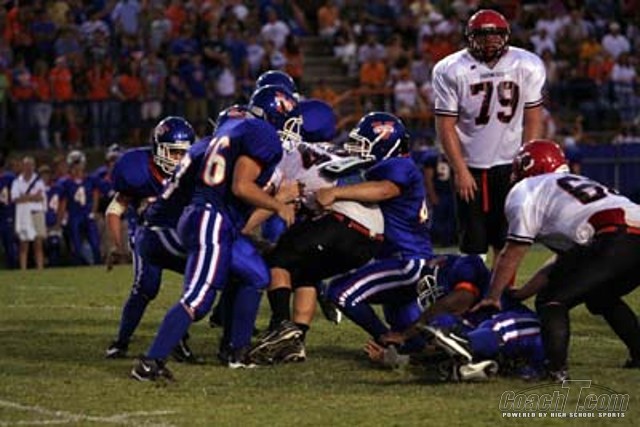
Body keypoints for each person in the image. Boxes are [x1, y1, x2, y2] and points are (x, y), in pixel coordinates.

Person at [130, 85, 299, 381]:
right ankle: (151, 362)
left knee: (255, 274)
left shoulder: (215, 139)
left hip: (210, 219)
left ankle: (237, 351)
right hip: (211, 219)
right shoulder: (262, 134)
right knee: (199, 298)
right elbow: (241, 186)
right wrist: (278, 204)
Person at [473, 139, 640, 381]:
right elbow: (564, 262)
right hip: (624, 232)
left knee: (552, 300)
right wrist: (522, 293)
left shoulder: (528, 188)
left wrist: (492, 297)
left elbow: (514, 250)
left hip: (615, 236)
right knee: (600, 296)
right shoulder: (571, 186)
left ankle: (554, 370)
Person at [249, 107, 384, 364]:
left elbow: (275, 199)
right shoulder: (332, 149)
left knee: (277, 258)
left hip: (343, 222)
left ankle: (280, 326)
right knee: (305, 272)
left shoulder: (287, 154)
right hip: (372, 238)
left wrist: (242, 229)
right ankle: (296, 341)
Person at [432, 9, 545, 264]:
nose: (490, 41)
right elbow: (445, 125)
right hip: (471, 165)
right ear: (470, 37)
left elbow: (533, 118)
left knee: (508, 240)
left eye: (495, 35)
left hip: (510, 164)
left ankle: (501, 288)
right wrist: (460, 169)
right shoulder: (451, 69)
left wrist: (525, 164)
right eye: (483, 35)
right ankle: (473, 285)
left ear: (506, 36)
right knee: (473, 244)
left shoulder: (526, 64)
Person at [316, 112, 434, 344]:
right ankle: (420, 348)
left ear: (384, 144)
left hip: (405, 260)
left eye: (364, 144)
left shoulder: (398, 165)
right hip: (403, 258)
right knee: (413, 338)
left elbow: (385, 190)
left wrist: (336, 192)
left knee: (340, 292)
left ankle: (384, 339)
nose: (358, 150)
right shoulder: (396, 167)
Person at [104, 117, 196, 362]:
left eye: (184, 153)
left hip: (180, 235)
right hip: (148, 236)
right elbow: (115, 209)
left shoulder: (194, 171)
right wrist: (116, 245)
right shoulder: (136, 169)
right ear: (158, 149)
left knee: (198, 283)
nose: (179, 159)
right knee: (146, 286)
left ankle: (179, 338)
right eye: (173, 152)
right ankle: (121, 341)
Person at [56, 151, 101, 265]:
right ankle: (80, 265)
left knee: (95, 243)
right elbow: (63, 202)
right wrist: (60, 219)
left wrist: (93, 211)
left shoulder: (90, 179)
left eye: (78, 163)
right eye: (74, 164)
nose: (76, 167)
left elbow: (95, 195)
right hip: (74, 214)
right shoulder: (65, 182)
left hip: (87, 213)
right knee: (76, 245)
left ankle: (97, 264)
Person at [11, 156, 47, 270]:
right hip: (23, 215)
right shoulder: (17, 182)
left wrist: (25, 197)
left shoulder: (39, 181)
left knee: (38, 243)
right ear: (23, 167)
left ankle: (40, 268)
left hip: (36, 213)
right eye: (26, 165)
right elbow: (15, 198)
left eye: (31, 165)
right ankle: (23, 269)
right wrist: (32, 197)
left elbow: (40, 197)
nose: (29, 168)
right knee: (24, 244)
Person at [0, 150, 19, 268]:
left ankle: (13, 266)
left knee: (9, 242)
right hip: (6, 213)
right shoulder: (10, 177)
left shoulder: (10, 177)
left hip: (7, 212)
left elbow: (15, 195)